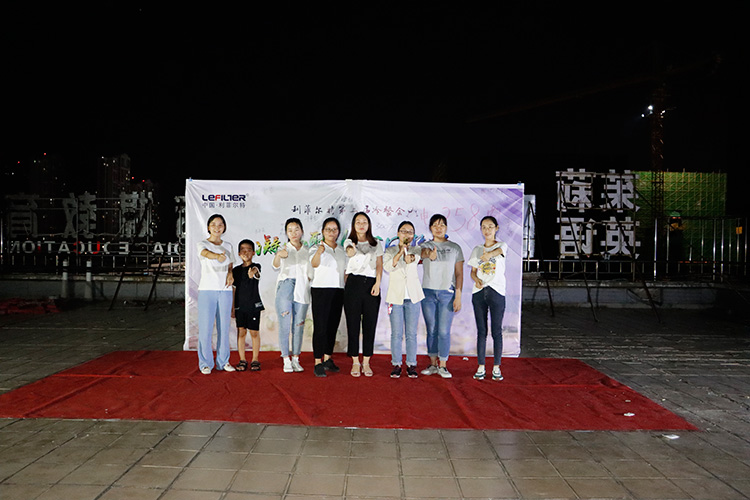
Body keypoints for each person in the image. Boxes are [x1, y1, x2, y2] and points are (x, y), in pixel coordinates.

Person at [419, 214, 464, 379]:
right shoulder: (425, 245)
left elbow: (459, 274)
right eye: (435, 225)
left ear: (446, 227)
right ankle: (432, 364)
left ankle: (443, 365)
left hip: (447, 293)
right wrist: (428, 253)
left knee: (444, 331)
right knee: (431, 329)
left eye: (442, 225)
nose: (439, 228)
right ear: (430, 228)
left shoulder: (455, 248)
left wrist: (458, 295)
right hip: (428, 293)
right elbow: (421, 253)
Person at [467, 215, 508, 381]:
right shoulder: (477, 249)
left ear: (496, 228)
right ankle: (481, 366)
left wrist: (488, 254)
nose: (487, 230)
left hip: (497, 292)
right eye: (484, 227)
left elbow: (498, 252)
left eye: (490, 226)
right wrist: (476, 280)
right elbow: (472, 271)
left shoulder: (501, 245)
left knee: (496, 331)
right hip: (479, 293)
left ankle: (496, 367)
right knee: (481, 331)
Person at [343, 211, 383, 377]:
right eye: (358, 222)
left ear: (369, 225)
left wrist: (378, 283)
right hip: (353, 284)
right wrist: (351, 250)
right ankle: (355, 361)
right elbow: (349, 252)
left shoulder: (376, 243)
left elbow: (379, 265)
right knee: (352, 325)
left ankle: (366, 361)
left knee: (369, 325)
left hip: (371, 285)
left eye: (364, 221)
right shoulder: (349, 241)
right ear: (353, 225)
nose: (361, 224)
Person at [384, 221, 424, 378]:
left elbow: (414, 258)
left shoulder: (416, 249)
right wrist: (400, 252)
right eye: (403, 231)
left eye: (410, 232)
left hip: (413, 297)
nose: (407, 234)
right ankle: (396, 364)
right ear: (398, 233)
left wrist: (409, 254)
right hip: (396, 297)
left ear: (413, 235)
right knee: (396, 333)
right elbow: (388, 266)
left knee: (411, 333)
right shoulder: (390, 251)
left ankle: (412, 364)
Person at [196, 214, 236, 374]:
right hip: (207, 290)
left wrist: (230, 273)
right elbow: (205, 253)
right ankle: (205, 363)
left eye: (220, 225)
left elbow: (230, 264)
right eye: (213, 224)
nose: (217, 228)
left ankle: (223, 361)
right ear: (208, 227)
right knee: (205, 329)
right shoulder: (202, 244)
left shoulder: (228, 246)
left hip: (225, 290)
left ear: (224, 227)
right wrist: (217, 256)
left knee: (224, 328)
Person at [272, 218, 311, 373]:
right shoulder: (283, 249)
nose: (293, 233)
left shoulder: (308, 251)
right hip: (285, 287)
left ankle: (295, 358)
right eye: (290, 230)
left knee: (299, 325)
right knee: (284, 325)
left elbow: (311, 271)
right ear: (286, 233)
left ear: (302, 231)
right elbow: (275, 265)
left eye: (296, 229)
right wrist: (278, 255)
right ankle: (285, 359)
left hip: (302, 288)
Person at [309, 217, 346, 377]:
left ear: (338, 232)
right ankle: (318, 362)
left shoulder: (342, 250)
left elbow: (345, 272)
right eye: (328, 229)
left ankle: (327, 358)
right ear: (323, 231)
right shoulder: (316, 248)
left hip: (338, 290)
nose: (331, 232)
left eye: (334, 229)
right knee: (320, 327)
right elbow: (314, 264)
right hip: (320, 290)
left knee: (332, 326)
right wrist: (319, 252)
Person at [231, 239, 264, 371]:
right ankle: (242, 359)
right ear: (239, 253)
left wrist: (253, 272)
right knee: (241, 332)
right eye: (243, 250)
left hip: (254, 306)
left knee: (254, 333)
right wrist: (233, 308)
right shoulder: (236, 271)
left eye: (249, 250)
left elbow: (256, 271)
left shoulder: (257, 266)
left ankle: (255, 359)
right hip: (240, 306)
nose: (246, 252)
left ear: (253, 253)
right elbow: (233, 290)